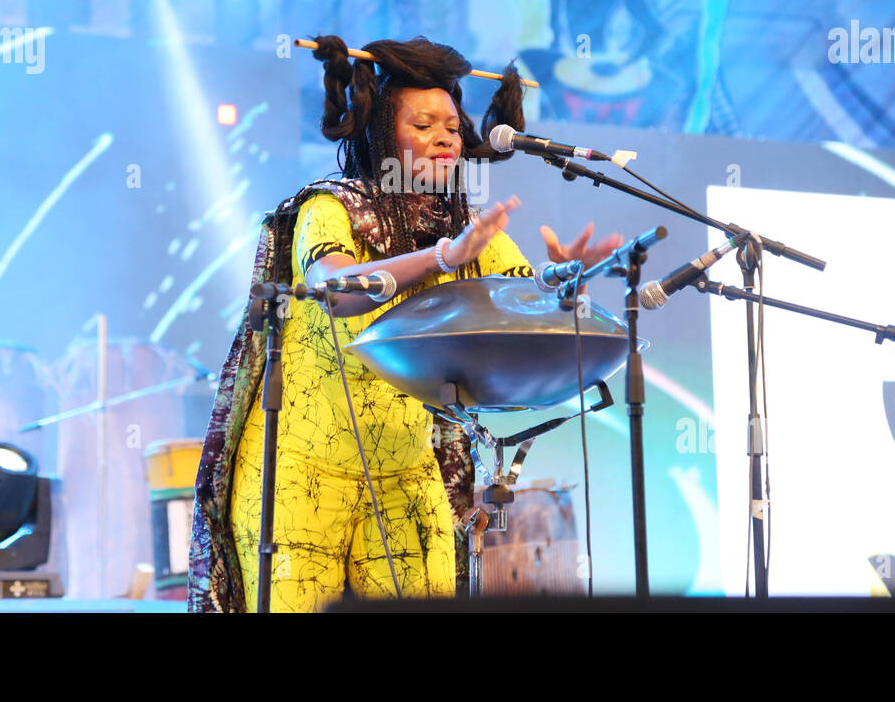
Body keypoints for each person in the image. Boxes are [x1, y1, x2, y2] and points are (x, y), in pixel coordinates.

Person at [188, 33, 621, 612]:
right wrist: (443, 258)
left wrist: (564, 284)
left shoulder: (464, 226)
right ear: (382, 133)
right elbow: (335, 289)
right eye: (423, 126)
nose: (445, 137)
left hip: (404, 476)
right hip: (300, 471)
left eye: (451, 125)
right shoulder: (331, 207)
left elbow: (521, 304)